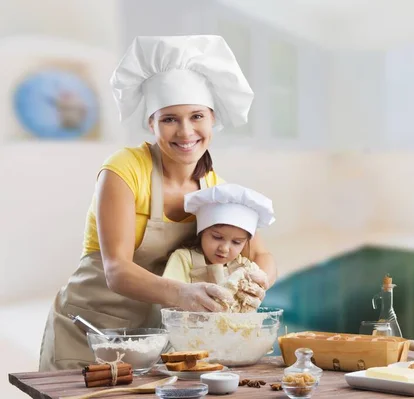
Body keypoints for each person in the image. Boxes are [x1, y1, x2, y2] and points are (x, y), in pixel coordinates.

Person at [38, 35, 277, 371]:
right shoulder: (123, 170)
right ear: (151, 122)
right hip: (90, 332)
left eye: (196, 116)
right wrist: (182, 295)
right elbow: (117, 271)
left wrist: (259, 281)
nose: (185, 131)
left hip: (156, 343)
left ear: (213, 119)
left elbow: (262, 255)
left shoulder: (215, 190)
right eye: (169, 119)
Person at [162, 183, 275, 312]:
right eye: (217, 237)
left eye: (237, 242)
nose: (225, 248)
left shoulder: (243, 266)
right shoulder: (183, 258)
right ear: (202, 232)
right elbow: (167, 300)